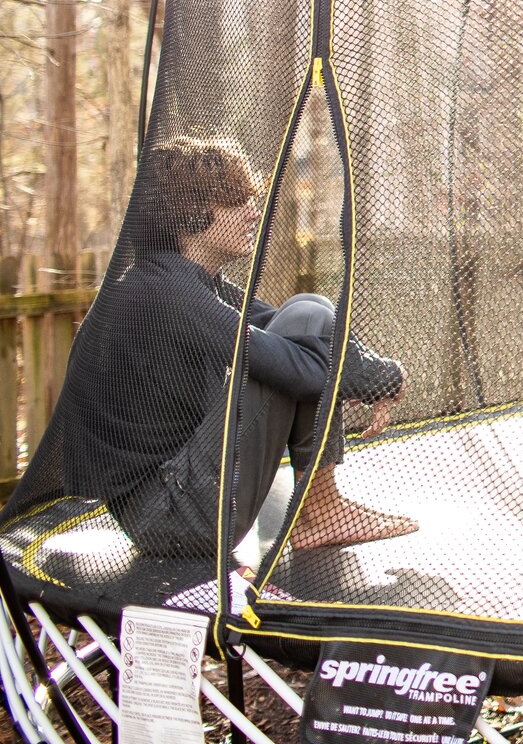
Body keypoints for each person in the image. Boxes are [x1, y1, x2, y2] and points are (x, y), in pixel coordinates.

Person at [60, 135, 415, 559]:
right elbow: (288, 367)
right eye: (234, 201)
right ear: (189, 216)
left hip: (181, 494)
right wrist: (375, 379)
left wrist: (372, 372)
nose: (253, 212)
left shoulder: (183, 281)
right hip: (174, 516)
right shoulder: (163, 292)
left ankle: (321, 512)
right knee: (286, 359)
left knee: (308, 308)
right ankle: (321, 511)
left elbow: (305, 322)